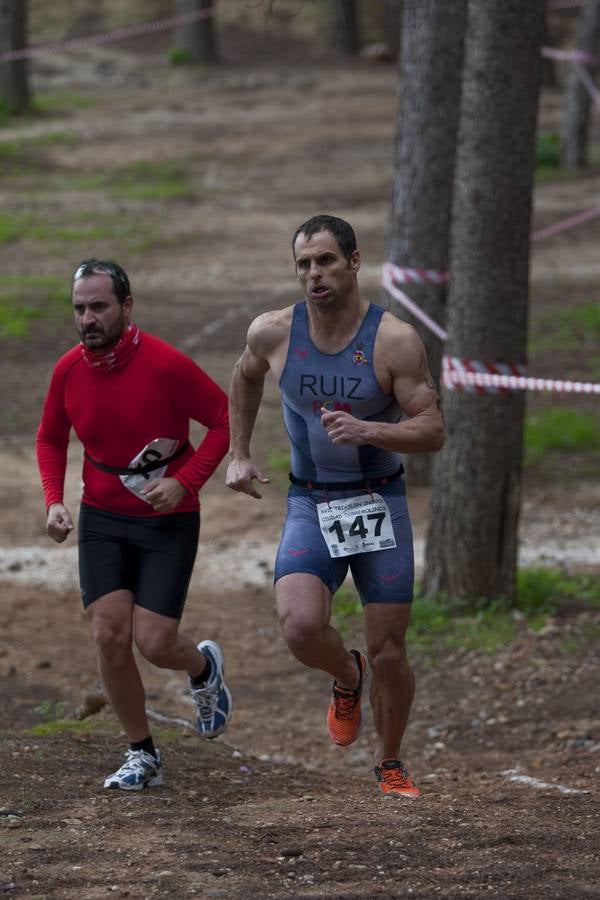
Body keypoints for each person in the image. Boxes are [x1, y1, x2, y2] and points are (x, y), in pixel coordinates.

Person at [226, 215, 444, 798]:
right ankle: (348, 676)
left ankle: (390, 761)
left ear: (353, 261)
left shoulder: (393, 340)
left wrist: (370, 431)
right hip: (310, 500)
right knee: (299, 627)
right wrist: (239, 452)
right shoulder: (273, 333)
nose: (313, 274)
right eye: (303, 264)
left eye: (325, 260)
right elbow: (244, 377)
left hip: (379, 502)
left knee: (391, 649)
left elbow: (432, 430)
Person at [36, 259, 233, 791]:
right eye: (80, 308)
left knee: (154, 640)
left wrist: (185, 482)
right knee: (109, 634)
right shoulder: (68, 371)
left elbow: (222, 420)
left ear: (127, 306)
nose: (88, 319)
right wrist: (55, 500)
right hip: (101, 516)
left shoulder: (166, 365)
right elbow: (51, 438)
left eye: (99, 306)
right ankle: (141, 753)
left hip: (167, 518)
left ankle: (202, 669)